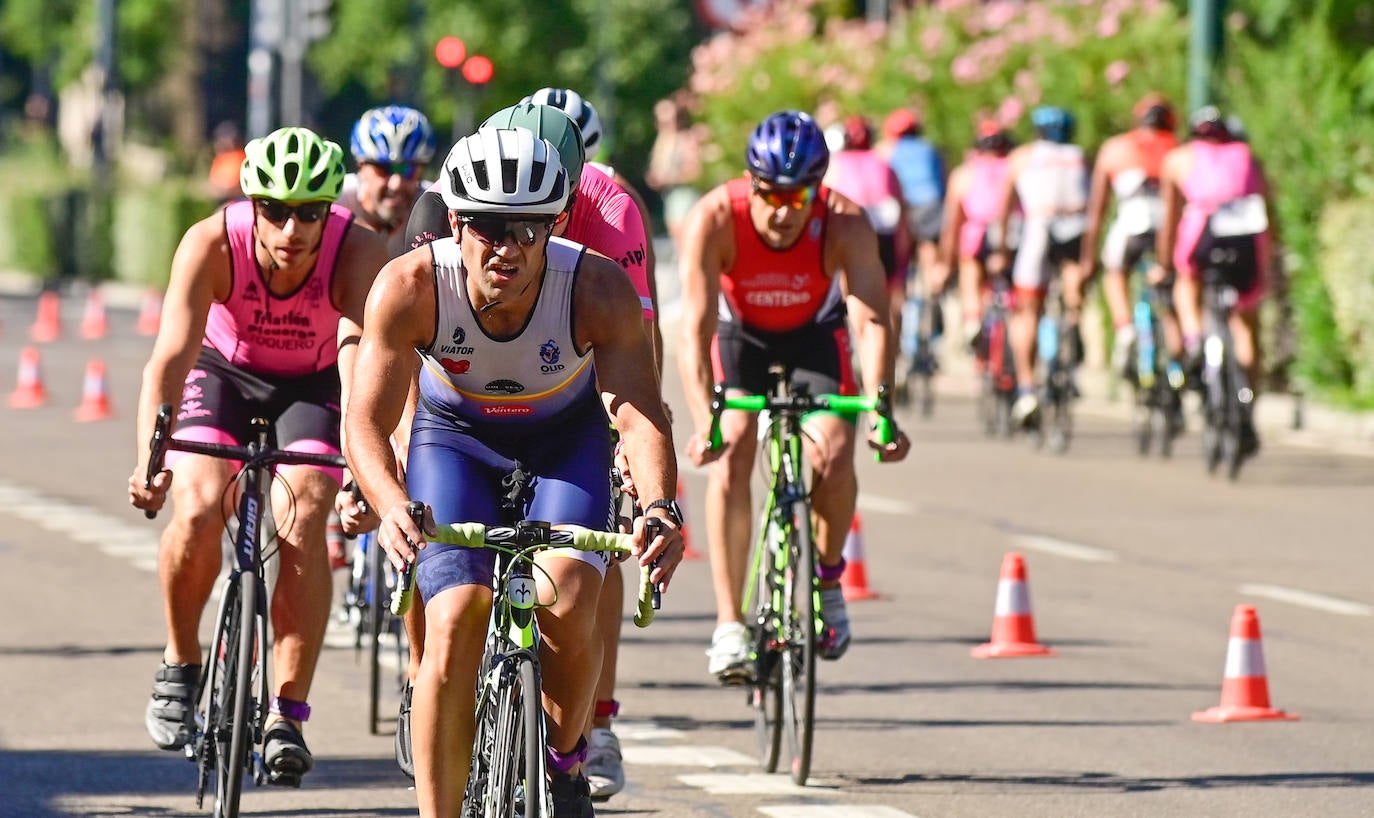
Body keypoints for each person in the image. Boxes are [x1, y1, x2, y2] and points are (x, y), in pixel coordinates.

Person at [344, 125, 685, 818]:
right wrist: (388, 503)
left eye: (529, 229)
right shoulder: (409, 285)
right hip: (455, 441)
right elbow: (365, 422)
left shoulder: (596, 286)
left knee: (565, 597)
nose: (508, 248)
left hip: (565, 441)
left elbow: (640, 410)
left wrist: (658, 506)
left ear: (556, 223)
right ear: (456, 222)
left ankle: (564, 760)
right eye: (490, 228)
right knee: (455, 617)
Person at [127, 127, 391, 785]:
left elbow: (366, 369)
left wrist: (368, 475)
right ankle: (181, 664)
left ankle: (287, 714)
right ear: (252, 204)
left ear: (332, 209)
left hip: (315, 380)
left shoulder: (358, 250)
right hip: (223, 371)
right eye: (275, 209)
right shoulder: (211, 242)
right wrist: (150, 458)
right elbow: (168, 361)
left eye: (310, 211)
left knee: (304, 517)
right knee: (195, 506)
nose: (292, 228)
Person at [676, 110, 910, 683]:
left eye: (798, 197)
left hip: (814, 336)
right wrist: (705, 412)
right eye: (771, 195)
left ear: (818, 190)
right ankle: (730, 624)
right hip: (741, 337)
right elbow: (696, 328)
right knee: (732, 451)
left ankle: (829, 584)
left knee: (833, 448)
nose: (784, 212)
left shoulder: (845, 222)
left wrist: (882, 407)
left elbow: (873, 320)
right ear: (751, 183)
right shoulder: (715, 217)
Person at [1157, 105, 1275, 456]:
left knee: (1187, 282)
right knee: (1245, 324)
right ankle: (1247, 408)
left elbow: (1169, 218)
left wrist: (1165, 265)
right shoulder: (1247, 155)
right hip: (1247, 239)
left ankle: (1193, 339)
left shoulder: (1179, 158)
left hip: (1204, 233)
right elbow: (1269, 209)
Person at [993, 105, 1090, 427]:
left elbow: (1006, 208)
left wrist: (1003, 249)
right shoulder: (1079, 155)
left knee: (1027, 310)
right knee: (1072, 285)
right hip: (1074, 228)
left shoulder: (1022, 157)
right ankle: (1073, 319)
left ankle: (1026, 389)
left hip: (1039, 228)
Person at [1080, 93, 1180, 377]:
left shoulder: (1116, 148)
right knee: (1170, 291)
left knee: (1115, 271)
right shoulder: (1176, 147)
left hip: (1131, 223)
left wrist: (1089, 257)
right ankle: (1179, 356)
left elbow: (1097, 209)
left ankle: (1124, 327)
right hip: (1168, 226)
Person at [823, 115, 912, 361]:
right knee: (890, 298)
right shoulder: (885, 164)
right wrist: (903, 261)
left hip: (850, 231)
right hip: (886, 234)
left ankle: (850, 350)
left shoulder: (835, 163)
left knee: (848, 292)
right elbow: (903, 215)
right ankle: (890, 356)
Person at [937, 120, 1016, 347]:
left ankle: (972, 316)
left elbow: (952, 224)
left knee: (970, 269)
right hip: (1009, 234)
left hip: (977, 233)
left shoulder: (964, 173)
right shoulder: (1013, 167)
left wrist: (945, 261)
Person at [339, 105, 439, 257]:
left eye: (408, 170)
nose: (396, 184)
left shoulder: (435, 207)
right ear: (360, 167)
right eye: (384, 169)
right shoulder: (338, 200)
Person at [880, 107, 946, 286]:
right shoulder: (930, 148)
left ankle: (900, 285)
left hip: (903, 204)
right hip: (930, 202)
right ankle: (934, 285)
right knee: (928, 245)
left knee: (901, 249)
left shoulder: (887, 149)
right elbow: (942, 177)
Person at [645, 94, 704, 254]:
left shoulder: (686, 140)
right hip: (670, 199)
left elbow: (696, 173)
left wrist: (668, 178)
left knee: (688, 247)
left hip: (685, 198)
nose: (665, 125)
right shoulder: (663, 142)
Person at [207, 120, 247, 204]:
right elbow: (213, 185)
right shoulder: (220, 159)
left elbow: (237, 187)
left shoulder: (241, 157)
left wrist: (223, 190)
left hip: (238, 202)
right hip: (222, 202)